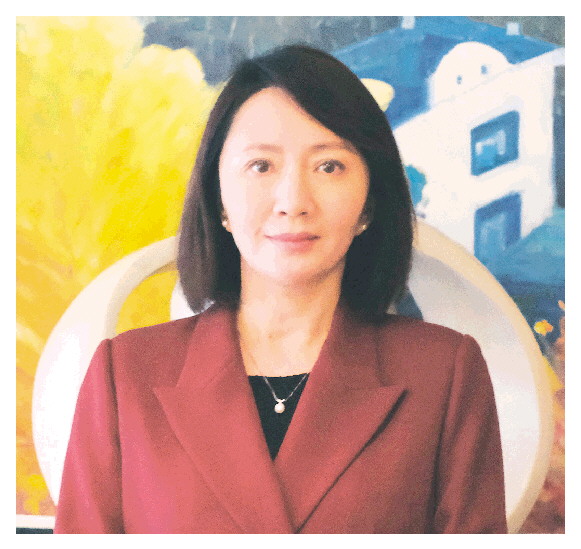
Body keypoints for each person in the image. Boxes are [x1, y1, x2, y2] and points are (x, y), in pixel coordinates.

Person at [54, 45, 507, 534]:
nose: (293, 201)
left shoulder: (445, 373)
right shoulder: (125, 376)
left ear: (370, 203)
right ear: (218, 198)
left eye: (329, 166)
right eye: (261, 166)